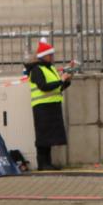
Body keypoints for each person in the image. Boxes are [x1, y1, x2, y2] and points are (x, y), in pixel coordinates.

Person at [25, 38, 72, 171]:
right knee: (43, 136)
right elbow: (44, 87)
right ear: (44, 56)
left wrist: (66, 81)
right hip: (42, 107)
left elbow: (56, 88)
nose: (52, 57)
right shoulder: (37, 70)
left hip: (51, 106)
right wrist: (60, 81)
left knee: (49, 136)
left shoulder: (50, 68)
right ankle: (42, 163)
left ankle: (47, 163)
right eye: (50, 54)